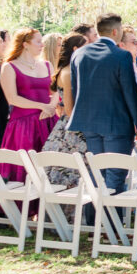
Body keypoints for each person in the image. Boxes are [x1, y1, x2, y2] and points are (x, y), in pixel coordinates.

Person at [67, 14, 137, 194]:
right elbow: (130, 93)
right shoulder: (121, 56)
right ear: (115, 31)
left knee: (96, 174)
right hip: (117, 124)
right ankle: (111, 221)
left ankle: (95, 220)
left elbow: (76, 91)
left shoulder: (79, 54)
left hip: (89, 124)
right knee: (115, 175)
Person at [0, 29, 59, 181]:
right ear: (25, 44)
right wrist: (41, 106)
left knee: (50, 167)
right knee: (25, 168)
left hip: (49, 121)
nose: (42, 45)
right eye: (38, 41)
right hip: (23, 126)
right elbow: (12, 98)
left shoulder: (47, 65)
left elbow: (56, 91)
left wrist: (51, 106)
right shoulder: (9, 67)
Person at [41, 33, 89, 187]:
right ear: (76, 49)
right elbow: (69, 109)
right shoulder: (68, 72)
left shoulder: (74, 69)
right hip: (72, 130)